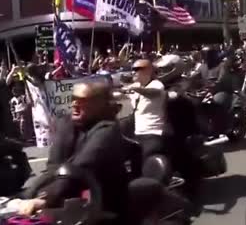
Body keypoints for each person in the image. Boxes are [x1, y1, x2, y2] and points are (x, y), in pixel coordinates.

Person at [14, 81, 128, 219]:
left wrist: (44, 200)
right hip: (74, 202)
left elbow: (79, 169)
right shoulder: (68, 124)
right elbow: (53, 168)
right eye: (74, 99)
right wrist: (27, 195)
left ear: (99, 105)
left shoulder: (108, 130)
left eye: (82, 100)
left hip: (105, 207)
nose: (74, 104)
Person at [124, 59, 167, 160]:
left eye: (137, 69)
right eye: (132, 69)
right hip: (138, 133)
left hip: (153, 133)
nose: (133, 72)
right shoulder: (137, 86)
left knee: (148, 165)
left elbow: (153, 93)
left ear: (148, 70)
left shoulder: (156, 84)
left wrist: (134, 89)